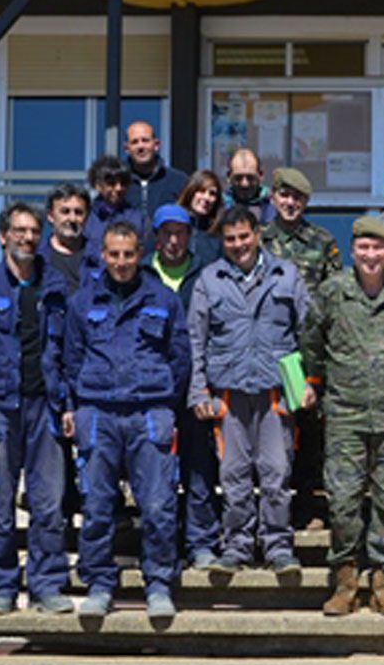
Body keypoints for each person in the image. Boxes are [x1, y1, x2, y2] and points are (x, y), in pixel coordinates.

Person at [302, 217, 384, 616]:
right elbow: (310, 341)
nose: (371, 256)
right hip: (345, 412)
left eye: (378, 248)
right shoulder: (332, 292)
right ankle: (344, 579)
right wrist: (317, 384)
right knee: (342, 500)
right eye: (363, 248)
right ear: (352, 250)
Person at [64, 221, 190, 617]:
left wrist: (167, 399)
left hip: (150, 411)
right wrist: (75, 405)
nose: (121, 262)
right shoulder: (82, 302)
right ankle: (99, 584)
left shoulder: (163, 299)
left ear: (141, 254)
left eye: (128, 254)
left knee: (157, 505)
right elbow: (71, 358)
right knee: (98, 505)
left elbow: (181, 357)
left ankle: (158, 584)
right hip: (98, 412)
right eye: (114, 254)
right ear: (103, 255)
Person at [0, 202, 72, 615]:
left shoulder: (55, 285)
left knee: (49, 503)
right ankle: (1, 589)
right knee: (0, 503)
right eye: (18, 231)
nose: (26, 237)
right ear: (3, 236)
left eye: (33, 231)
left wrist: (69, 405)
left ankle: (46, 587)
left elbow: (70, 351)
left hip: (46, 407)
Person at [188, 205, 310, 575]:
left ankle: (278, 547)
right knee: (234, 475)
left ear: (258, 235)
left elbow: (309, 335)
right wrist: (198, 393)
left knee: (275, 473)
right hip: (228, 394)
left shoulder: (286, 275)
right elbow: (195, 340)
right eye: (230, 239)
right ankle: (237, 546)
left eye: (244, 236)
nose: (238, 245)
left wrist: (307, 386)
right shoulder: (210, 280)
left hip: (276, 391)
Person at [260, 167, 342, 530]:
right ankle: (268, 509)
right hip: (267, 346)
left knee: (308, 428)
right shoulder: (259, 239)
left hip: (305, 350)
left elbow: (333, 294)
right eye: (284, 196)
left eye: (298, 198)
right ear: (274, 197)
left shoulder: (322, 241)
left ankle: (307, 504)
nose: (290, 203)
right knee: (266, 428)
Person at [141, 204, 218, 570]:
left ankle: (201, 542)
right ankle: (163, 546)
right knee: (158, 474)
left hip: (198, 386)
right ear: (156, 237)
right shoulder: (141, 275)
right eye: (166, 233)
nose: (173, 241)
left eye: (180, 233)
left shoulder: (206, 275)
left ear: (190, 236)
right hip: (153, 389)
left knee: (198, 469)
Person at [85, 154, 150, 259]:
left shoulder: (137, 217)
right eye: (111, 183)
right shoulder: (87, 216)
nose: (118, 188)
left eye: (123, 183)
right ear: (97, 185)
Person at [39, 182, 99, 292]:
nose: (72, 219)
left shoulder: (101, 257)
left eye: (78, 212)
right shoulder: (36, 258)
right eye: (65, 212)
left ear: (87, 217)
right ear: (50, 216)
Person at [124, 120, 189, 219]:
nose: (141, 146)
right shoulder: (118, 183)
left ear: (156, 145)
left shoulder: (179, 181)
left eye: (145, 140)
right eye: (134, 142)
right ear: (127, 148)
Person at [176, 168, 224, 266]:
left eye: (212, 194)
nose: (206, 198)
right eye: (201, 191)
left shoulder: (218, 234)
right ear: (191, 192)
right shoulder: (174, 226)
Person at [223, 148, 275, 223]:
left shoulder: (275, 205)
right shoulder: (219, 206)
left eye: (250, 177)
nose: (245, 184)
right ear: (228, 177)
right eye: (238, 177)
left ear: (261, 175)